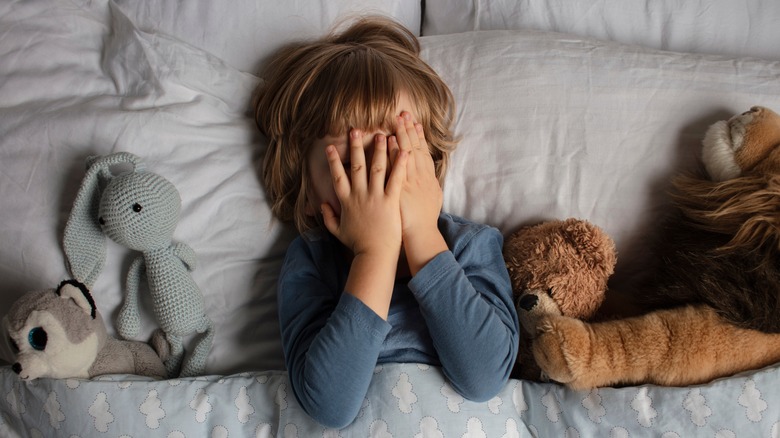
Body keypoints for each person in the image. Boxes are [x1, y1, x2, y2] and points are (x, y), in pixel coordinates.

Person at [253, 16, 519, 429]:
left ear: (429, 168)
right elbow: (328, 405)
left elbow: (485, 377)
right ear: (307, 194)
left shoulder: (468, 245)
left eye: (396, 155)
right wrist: (373, 253)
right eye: (353, 164)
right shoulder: (311, 262)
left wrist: (422, 235)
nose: (381, 178)